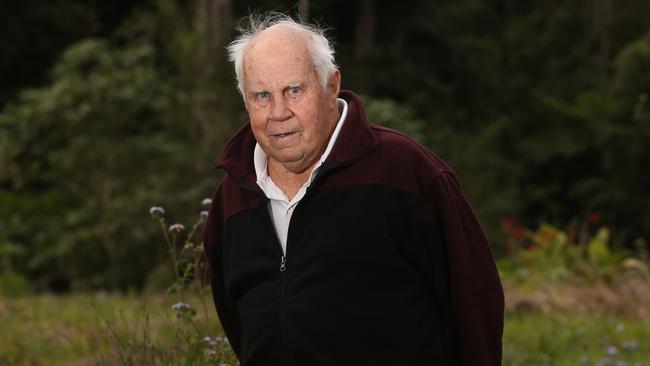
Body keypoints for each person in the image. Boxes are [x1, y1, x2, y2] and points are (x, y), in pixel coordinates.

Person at [203, 13, 504, 366]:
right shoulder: (232, 199)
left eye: (294, 90)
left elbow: (475, 301)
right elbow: (240, 325)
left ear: (331, 85)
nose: (279, 112)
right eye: (262, 96)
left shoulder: (405, 172)